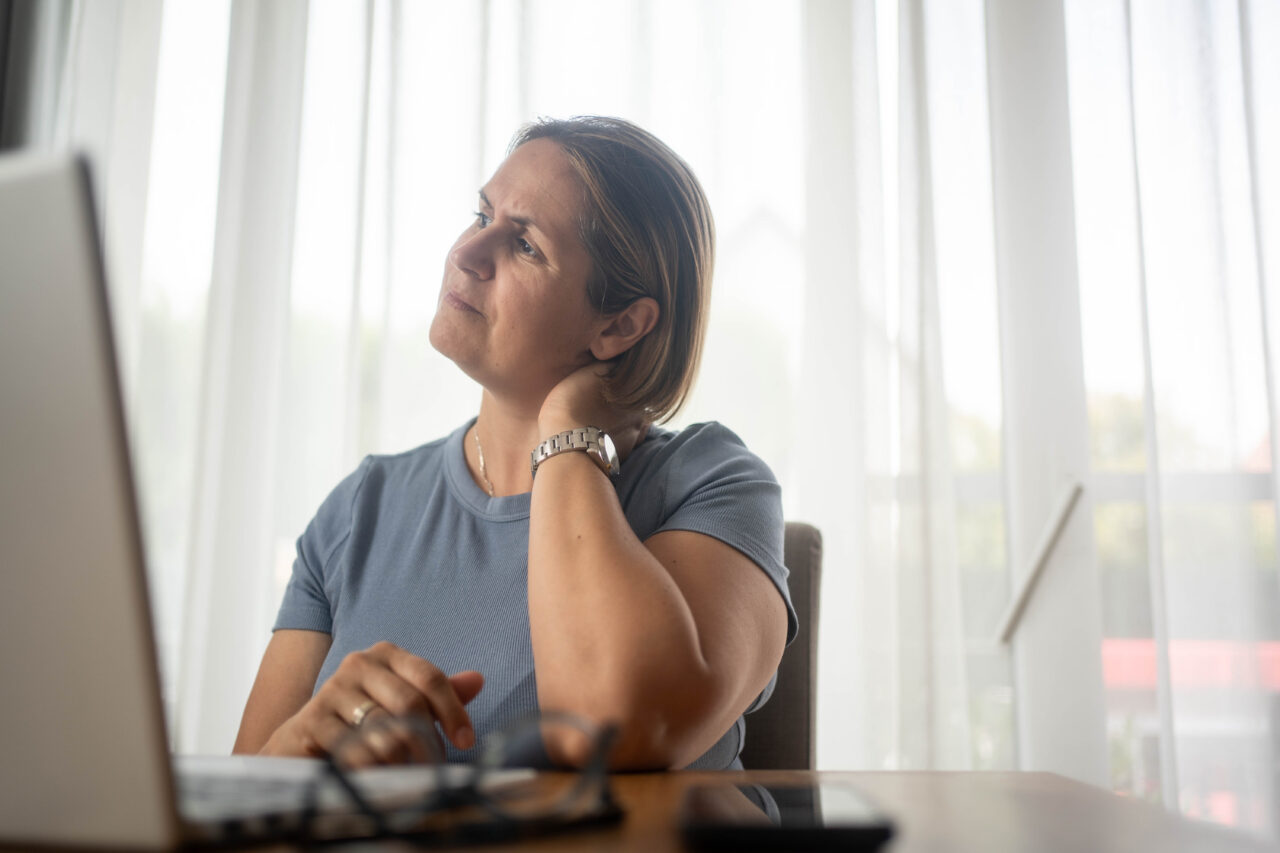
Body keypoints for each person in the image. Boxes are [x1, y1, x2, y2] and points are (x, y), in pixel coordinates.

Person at [232, 116, 796, 770]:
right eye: (481, 215)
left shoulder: (712, 482)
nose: (467, 252)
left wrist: (566, 431)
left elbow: (617, 729)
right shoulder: (361, 506)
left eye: (525, 244)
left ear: (619, 324)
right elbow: (238, 800)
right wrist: (302, 743)